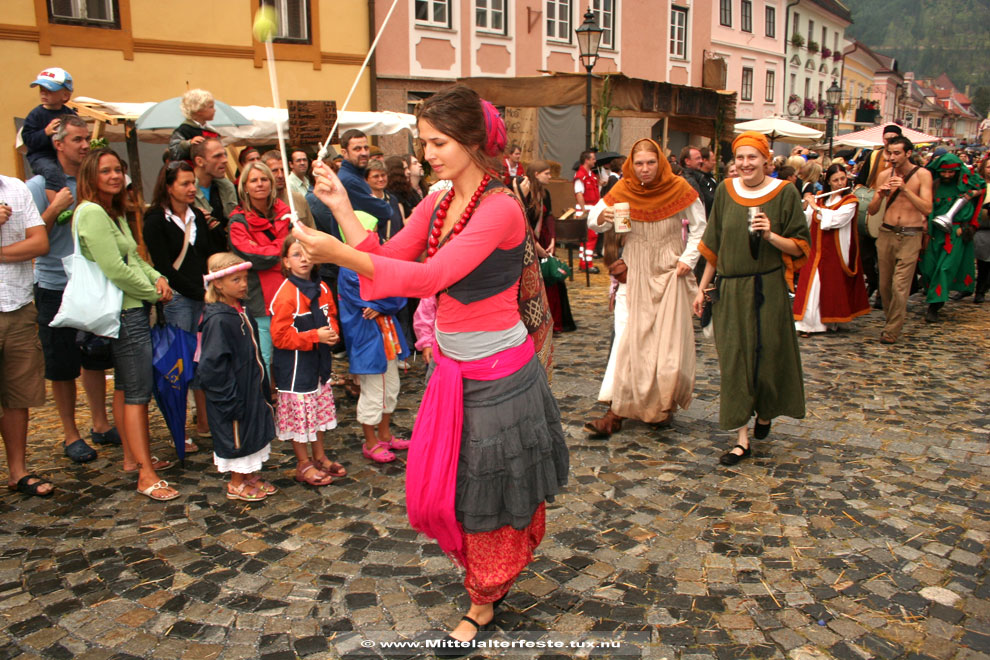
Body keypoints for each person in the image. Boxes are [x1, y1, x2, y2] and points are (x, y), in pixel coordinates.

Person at [291, 84, 567, 653]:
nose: (429, 154)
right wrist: (342, 209)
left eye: (438, 142)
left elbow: (428, 279)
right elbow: (392, 258)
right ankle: (486, 584)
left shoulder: (500, 208)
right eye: (424, 143)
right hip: (454, 372)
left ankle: (483, 599)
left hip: (499, 376)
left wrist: (335, 252)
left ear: (471, 140)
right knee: (459, 488)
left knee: (486, 489)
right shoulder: (441, 199)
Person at [692, 132, 810, 466]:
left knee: (769, 359)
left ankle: (766, 412)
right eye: (740, 158)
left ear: (766, 161)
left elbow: (800, 246)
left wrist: (771, 234)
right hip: (730, 291)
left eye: (752, 158)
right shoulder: (727, 192)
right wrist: (702, 288)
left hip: (768, 289)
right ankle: (741, 439)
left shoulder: (784, 193)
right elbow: (713, 246)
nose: (745, 164)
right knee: (734, 363)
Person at [75, 148, 179, 500]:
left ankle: (133, 460)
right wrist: (152, 293)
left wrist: (159, 277)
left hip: (133, 307)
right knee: (137, 393)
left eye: (118, 169)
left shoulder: (112, 211)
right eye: (106, 171)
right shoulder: (90, 213)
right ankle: (146, 475)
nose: (115, 176)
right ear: (91, 176)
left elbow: (133, 257)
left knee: (124, 388)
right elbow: (115, 270)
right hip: (125, 310)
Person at [584, 139, 705, 436]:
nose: (645, 169)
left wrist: (688, 259)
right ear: (631, 165)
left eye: (650, 162)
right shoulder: (623, 188)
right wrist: (604, 216)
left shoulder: (679, 188)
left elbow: (700, 225)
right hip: (635, 269)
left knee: (666, 344)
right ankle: (615, 412)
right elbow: (592, 220)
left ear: (660, 162)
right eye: (639, 163)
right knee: (628, 339)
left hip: (668, 269)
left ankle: (661, 406)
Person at [28, 116, 118, 464]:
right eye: (77, 139)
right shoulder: (38, 185)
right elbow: (32, 239)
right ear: (58, 143)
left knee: (96, 357)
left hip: (94, 285)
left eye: (87, 139)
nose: (84, 145)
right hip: (55, 285)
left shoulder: (93, 182)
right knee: (62, 364)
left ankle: (100, 423)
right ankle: (70, 433)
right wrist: (54, 209)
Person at [143, 160, 228, 448]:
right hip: (179, 299)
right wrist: (198, 292)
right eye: (185, 183)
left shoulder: (199, 217)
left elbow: (211, 254)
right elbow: (164, 266)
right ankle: (180, 430)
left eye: (193, 182)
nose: (192, 188)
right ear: (168, 187)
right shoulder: (156, 219)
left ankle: (204, 421)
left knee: (203, 361)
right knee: (179, 365)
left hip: (202, 296)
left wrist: (216, 228)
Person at [197, 253, 277, 502]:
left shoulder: (241, 312)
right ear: (218, 283)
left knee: (252, 433)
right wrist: (228, 399)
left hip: (250, 389)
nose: (244, 284)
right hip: (233, 395)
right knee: (237, 437)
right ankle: (236, 482)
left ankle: (250, 475)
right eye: (236, 280)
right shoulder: (219, 319)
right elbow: (213, 367)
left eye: (244, 278)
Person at [269, 236, 346, 486]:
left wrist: (332, 332)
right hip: (295, 369)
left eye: (306, 254)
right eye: (295, 255)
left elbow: (331, 315)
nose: (303, 259)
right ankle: (303, 463)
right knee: (301, 415)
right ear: (286, 262)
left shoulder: (322, 288)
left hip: (318, 364)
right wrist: (315, 336)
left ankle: (320, 455)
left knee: (318, 413)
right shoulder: (286, 295)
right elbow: (279, 337)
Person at [336, 211, 410, 464]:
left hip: (387, 339)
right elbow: (370, 297)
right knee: (372, 392)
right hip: (368, 341)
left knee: (391, 388)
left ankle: (385, 434)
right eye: (371, 231)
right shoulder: (348, 268)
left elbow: (399, 292)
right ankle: (370, 441)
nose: (376, 236)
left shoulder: (376, 261)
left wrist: (383, 304)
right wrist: (385, 301)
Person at [0, 174, 52, 496]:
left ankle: (17, 471)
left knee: (18, 395)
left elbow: (40, 243)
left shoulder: (15, 188)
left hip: (18, 305)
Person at [866, 136, 933, 344]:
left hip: (911, 234)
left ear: (908, 153)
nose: (892, 157)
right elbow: (872, 209)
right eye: (890, 153)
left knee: (900, 286)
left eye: (897, 153)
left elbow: (927, 208)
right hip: (886, 232)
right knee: (884, 285)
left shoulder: (923, 175)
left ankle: (891, 330)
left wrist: (904, 189)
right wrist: (879, 194)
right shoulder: (885, 175)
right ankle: (891, 321)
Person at [793, 164, 871, 335]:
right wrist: (808, 206)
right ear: (828, 181)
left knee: (828, 284)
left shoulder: (850, 201)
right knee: (812, 283)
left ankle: (827, 321)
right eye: (835, 180)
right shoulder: (821, 197)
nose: (840, 183)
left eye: (843, 179)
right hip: (817, 247)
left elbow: (836, 220)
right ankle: (808, 323)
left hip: (836, 249)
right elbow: (809, 219)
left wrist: (815, 207)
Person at [229, 161, 292, 369]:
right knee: (264, 355)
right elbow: (252, 257)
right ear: (244, 186)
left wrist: (267, 249)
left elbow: (296, 246)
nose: (260, 184)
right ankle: (265, 397)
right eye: (254, 180)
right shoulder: (238, 221)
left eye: (264, 179)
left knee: (288, 348)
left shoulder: (286, 213)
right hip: (259, 296)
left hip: (287, 291)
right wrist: (280, 251)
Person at [919, 153, 986, 322]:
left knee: (945, 268)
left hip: (956, 232)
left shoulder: (966, 184)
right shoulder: (934, 185)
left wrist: (970, 224)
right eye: (944, 172)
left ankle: (934, 305)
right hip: (935, 232)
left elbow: (981, 186)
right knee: (929, 267)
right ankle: (933, 294)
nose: (947, 176)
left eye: (951, 172)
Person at [517, 161, 576, 333]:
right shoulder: (524, 193)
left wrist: (552, 240)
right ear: (536, 174)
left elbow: (549, 216)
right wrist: (535, 245)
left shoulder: (546, 193)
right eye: (547, 173)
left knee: (552, 279)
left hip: (544, 239)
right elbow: (522, 220)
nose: (550, 177)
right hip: (529, 240)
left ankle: (555, 321)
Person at [22, 67, 78, 195]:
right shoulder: (36, 115)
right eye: (41, 90)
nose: (43, 94)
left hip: (64, 156)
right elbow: (27, 139)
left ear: (65, 95)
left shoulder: (70, 114)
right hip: (42, 157)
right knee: (51, 171)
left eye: (49, 91)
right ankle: (58, 204)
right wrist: (45, 133)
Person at [192, 138, 237, 233]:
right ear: (200, 161)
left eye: (224, 155)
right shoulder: (184, 192)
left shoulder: (226, 187)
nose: (225, 160)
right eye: (217, 156)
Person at [260, 150, 314, 228]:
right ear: (264, 173)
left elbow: (312, 229)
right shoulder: (261, 203)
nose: (280, 175)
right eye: (274, 171)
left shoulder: (298, 198)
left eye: (283, 170)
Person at [167, 89, 220, 162]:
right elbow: (174, 151)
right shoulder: (184, 130)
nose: (214, 110)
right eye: (211, 107)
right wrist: (188, 144)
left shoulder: (212, 131)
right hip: (190, 170)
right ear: (198, 110)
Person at [573, 150, 601, 273]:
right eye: (593, 159)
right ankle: (585, 264)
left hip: (593, 209)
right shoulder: (581, 175)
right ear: (586, 160)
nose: (595, 161)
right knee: (588, 238)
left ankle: (587, 262)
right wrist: (584, 210)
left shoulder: (592, 175)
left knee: (592, 238)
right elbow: (579, 193)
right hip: (587, 210)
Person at [366, 160, 405, 242]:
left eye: (383, 175)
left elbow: (400, 227)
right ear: (366, 179)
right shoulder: (364, 203)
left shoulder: (392, 199)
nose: (381, 179)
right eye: (376, 176)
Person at [973, 157, 990, 304]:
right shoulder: (979, 184)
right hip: (982, 227)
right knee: (983, 262)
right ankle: (979, 291)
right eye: (989, 167)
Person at [679, 146, 714, 214]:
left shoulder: (698, 178)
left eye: (700, 158)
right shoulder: (689, 181)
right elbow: (700, 205)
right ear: (687, 161)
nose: (701, 161)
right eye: (698, 158)